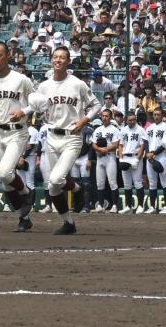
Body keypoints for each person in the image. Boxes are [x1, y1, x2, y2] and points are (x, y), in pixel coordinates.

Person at [34, 47, 101, 235]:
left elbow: (96, 105)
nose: (58, 60)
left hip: (72, 136)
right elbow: (39, 109)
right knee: (53, 185)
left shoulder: (77, 84)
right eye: (55, 57)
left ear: (68, 61)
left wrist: (84, 120)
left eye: (62, 57)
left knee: (56, 179)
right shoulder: (44, 86)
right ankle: (68, 222)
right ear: (51, 60)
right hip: (52, 136)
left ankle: (77, 189)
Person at [0, 42, 36, 232]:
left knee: (4, 173)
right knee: (6, 184)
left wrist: (24, 111)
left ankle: (27, 193)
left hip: (18, 131)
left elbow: (38, 103)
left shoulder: (21, 79)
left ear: (8, 55)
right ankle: (24, 218)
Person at [91, 110, 121, 212]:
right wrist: (99, 149)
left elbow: (116, 144)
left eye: (106, 116)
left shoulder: (114, 129)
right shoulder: (97, 130)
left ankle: (115, 206)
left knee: (112, 182)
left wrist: (106, 149)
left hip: (110, 157)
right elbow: (93, 143)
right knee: (100, 183)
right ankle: (100, 205)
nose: (104, 118)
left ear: (110, 117)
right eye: (103, 116)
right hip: (100, 158)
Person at [118, 112, 148, 214]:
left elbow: (142, 146)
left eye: (134, 119)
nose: (132, 121)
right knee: (127, 184)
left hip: (135, 157)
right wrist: (120, 158)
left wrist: (137, 159)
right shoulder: (123, 129)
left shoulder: (140, 129)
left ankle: (140, 206)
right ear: (126, 120)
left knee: (138, 182)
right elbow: (121, 145)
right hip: (125, 157)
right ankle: (128, 206)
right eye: (130, 120)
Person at [144, 108, 166, 214]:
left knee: (164, 182)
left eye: (158, 114)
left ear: (162, 115)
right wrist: (147, 153)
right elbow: (146, 142)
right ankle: (152, 207)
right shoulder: (149, 127)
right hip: (150, 156)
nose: (156, 116)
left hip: (162, 156)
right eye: (154, 114)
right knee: (152, 183)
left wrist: (153, 153)